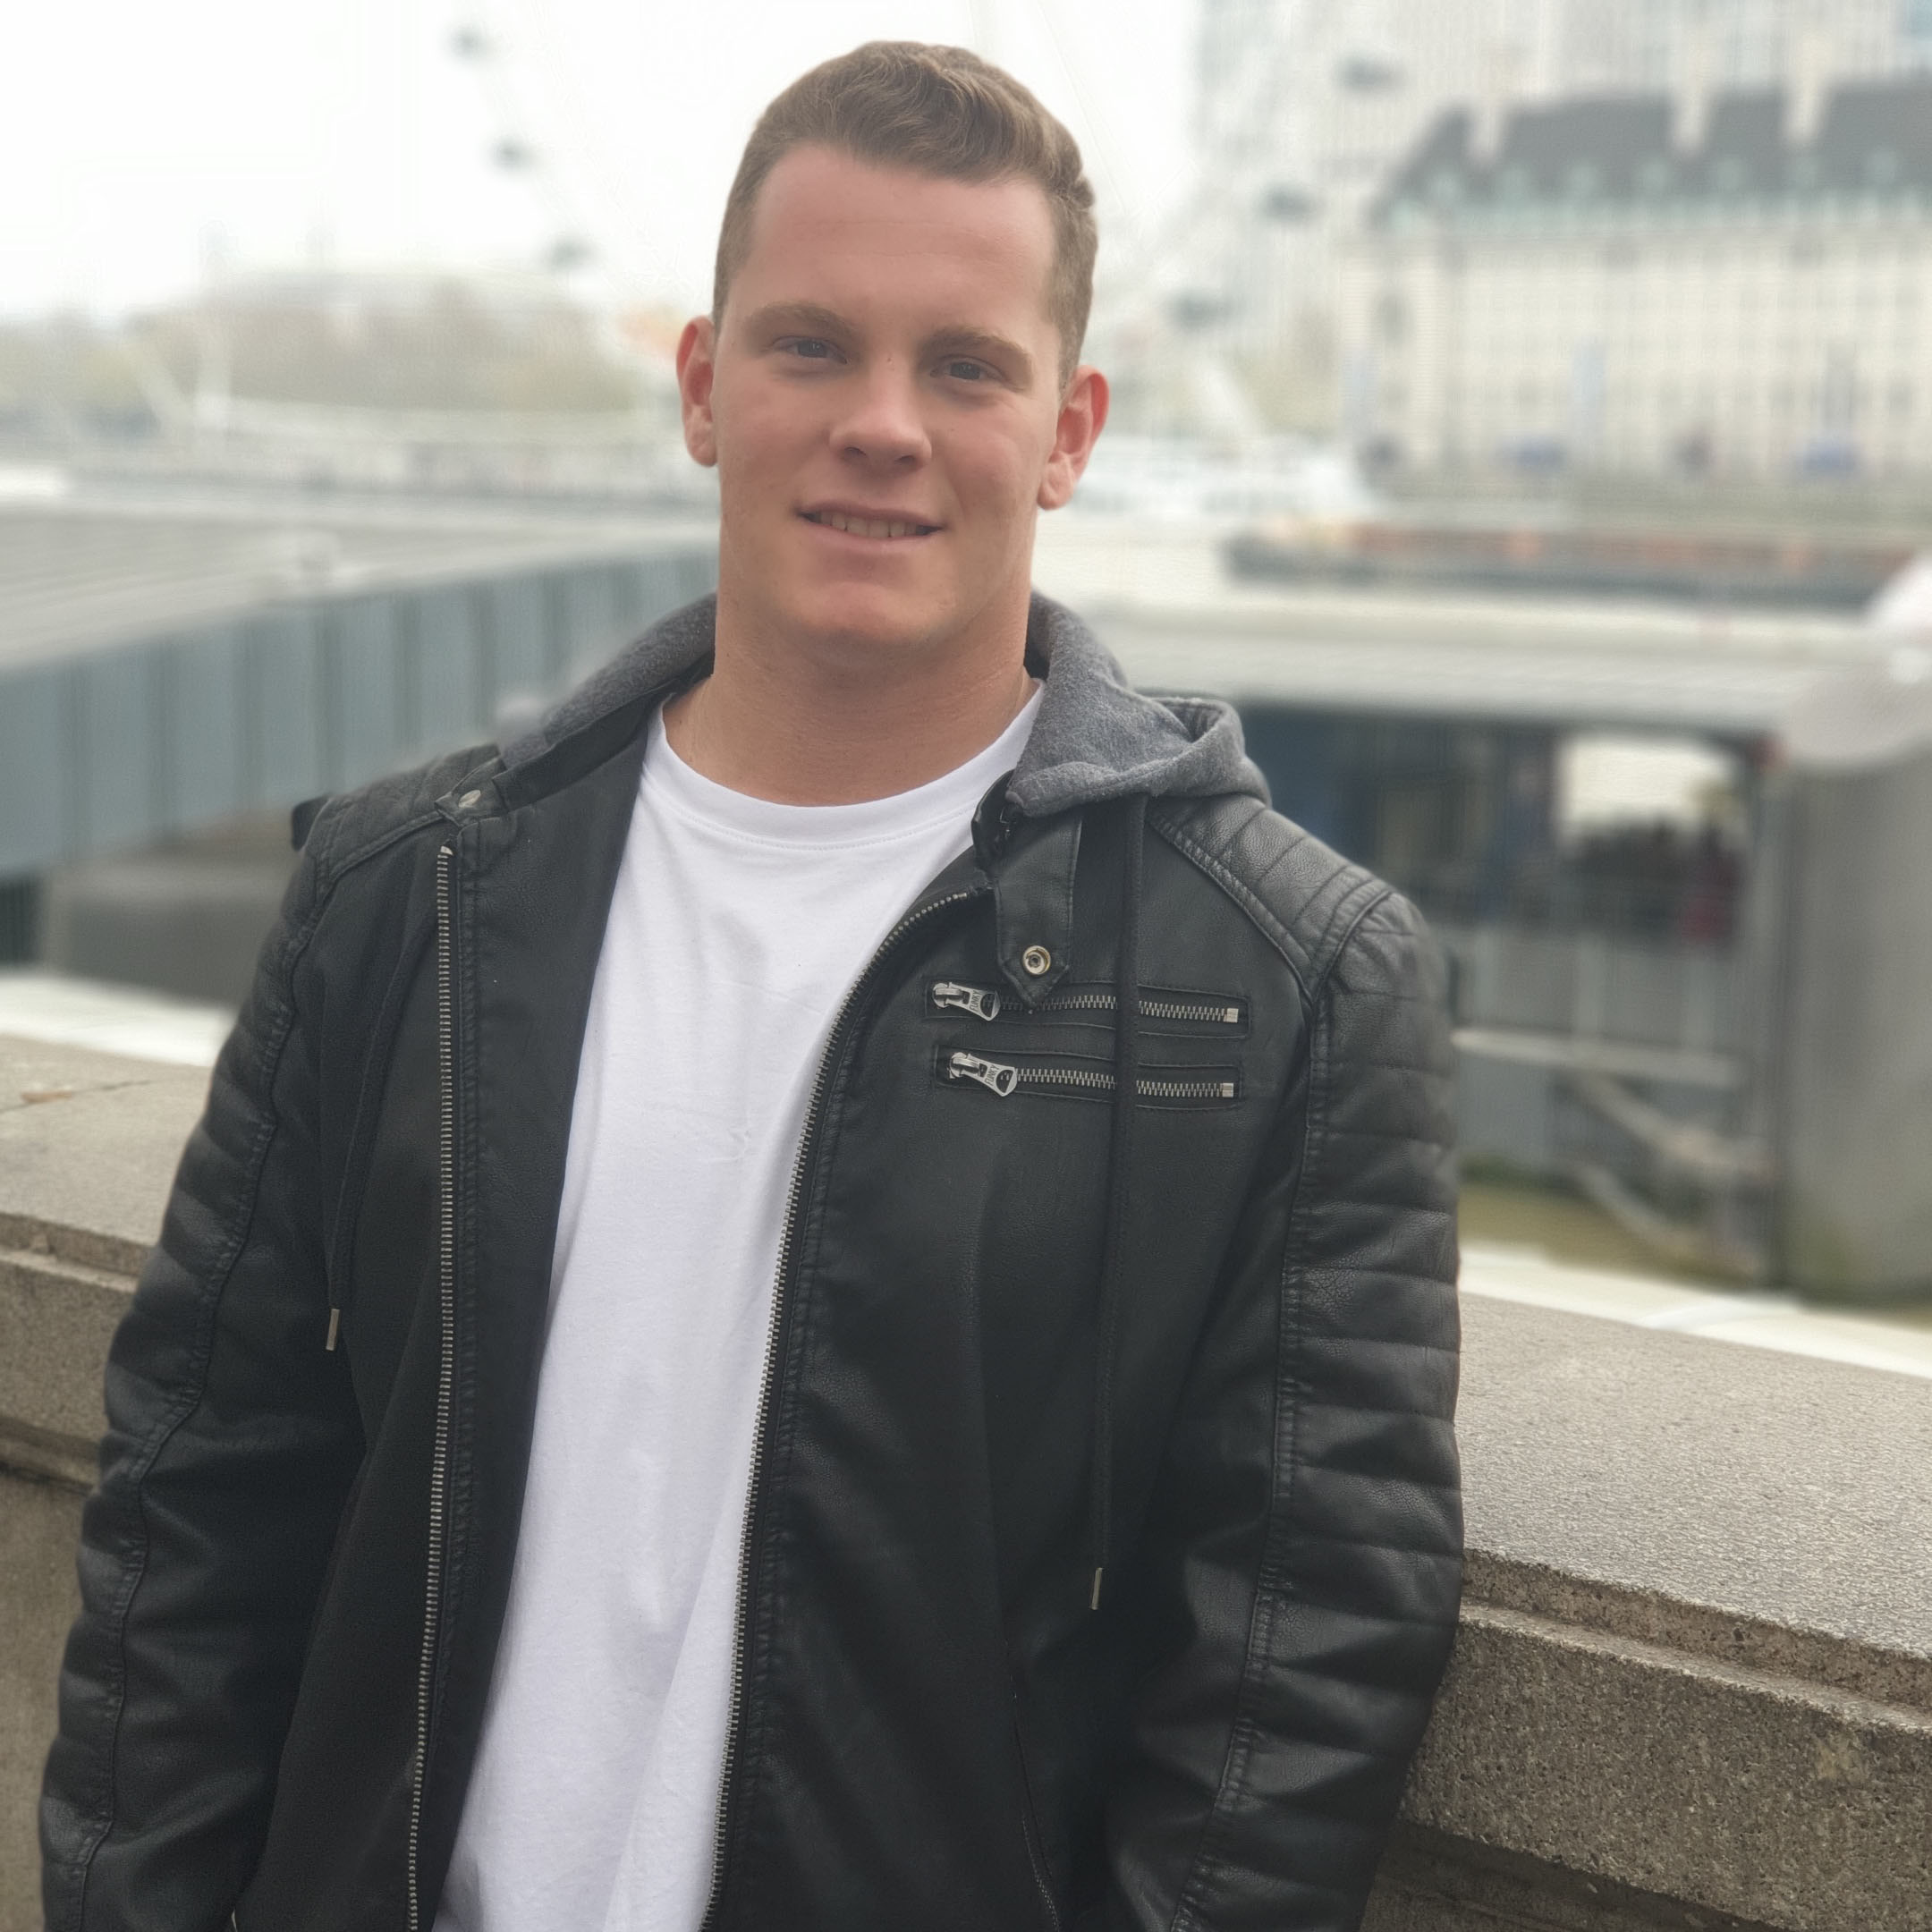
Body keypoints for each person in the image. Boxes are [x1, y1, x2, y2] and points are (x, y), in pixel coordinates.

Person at [41, 41, 1462, 1932]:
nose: (883, 423)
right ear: (705, 386)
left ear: (1069, 431)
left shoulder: (1293, 986)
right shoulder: (401, 894)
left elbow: (1297, 1657)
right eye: (812, 345)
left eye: (965, 367)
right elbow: (198, 1503)